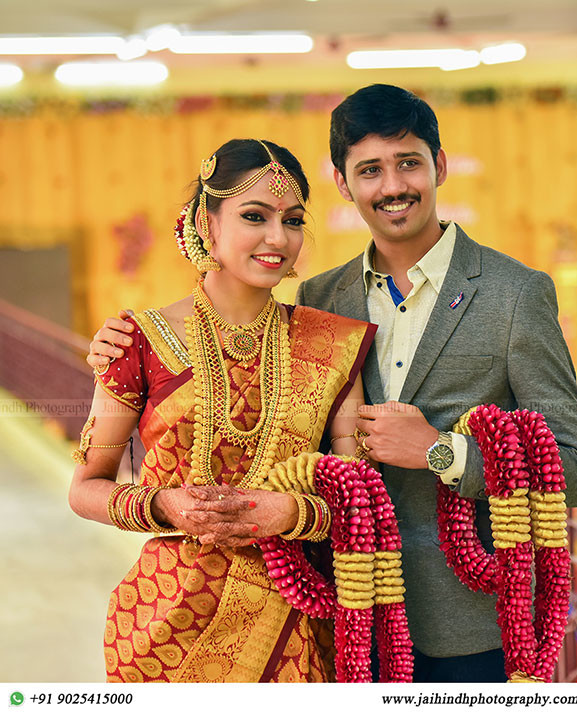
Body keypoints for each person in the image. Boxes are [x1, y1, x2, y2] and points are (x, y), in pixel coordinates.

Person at [87, 84, 577, 682]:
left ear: (439, 164)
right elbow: (317, 460)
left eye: (409, 162)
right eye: (370, 170)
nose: (393, 187)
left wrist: (440, 451)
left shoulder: (514, 295)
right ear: (342, 181)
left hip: (466, 619)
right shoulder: (323, 300)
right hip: (340, 615)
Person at [70, 138, 376, 682]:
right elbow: (85, 487)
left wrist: (290, 514)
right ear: (205, 224)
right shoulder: (138, 342)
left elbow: (362, 497)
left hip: (291, 623)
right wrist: (164, 505)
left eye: (294, 220)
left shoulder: (329, 345)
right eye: (254, 216)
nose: (278, 238)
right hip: (165, 632)